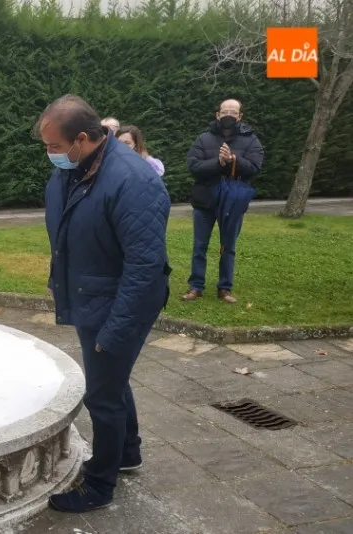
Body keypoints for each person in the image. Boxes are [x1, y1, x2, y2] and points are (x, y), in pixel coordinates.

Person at [35, 95, 170, 513]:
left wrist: (115, 330)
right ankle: (128, 452)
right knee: (113, 380)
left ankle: (99, 485)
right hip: (91, 294)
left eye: (54, 147)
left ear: (82, 138)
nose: (49, 155)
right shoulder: (76, 168)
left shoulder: (134, 181)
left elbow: (144, 266)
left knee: (102, 394)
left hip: (119, 304)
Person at [181, 99, 264, 304]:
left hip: (232, 202)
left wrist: (233, 159)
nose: (229, 115)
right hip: (205, 200)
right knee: (200, 245)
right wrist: (218, 163)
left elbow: (254, 167)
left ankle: (224, 288)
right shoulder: (204, 139)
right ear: (217, 114)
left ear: (240, 116)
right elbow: (194, 166)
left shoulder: (250, 140)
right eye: (225, 111)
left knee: (229, 246)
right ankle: (196, 286)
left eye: (233, 112)